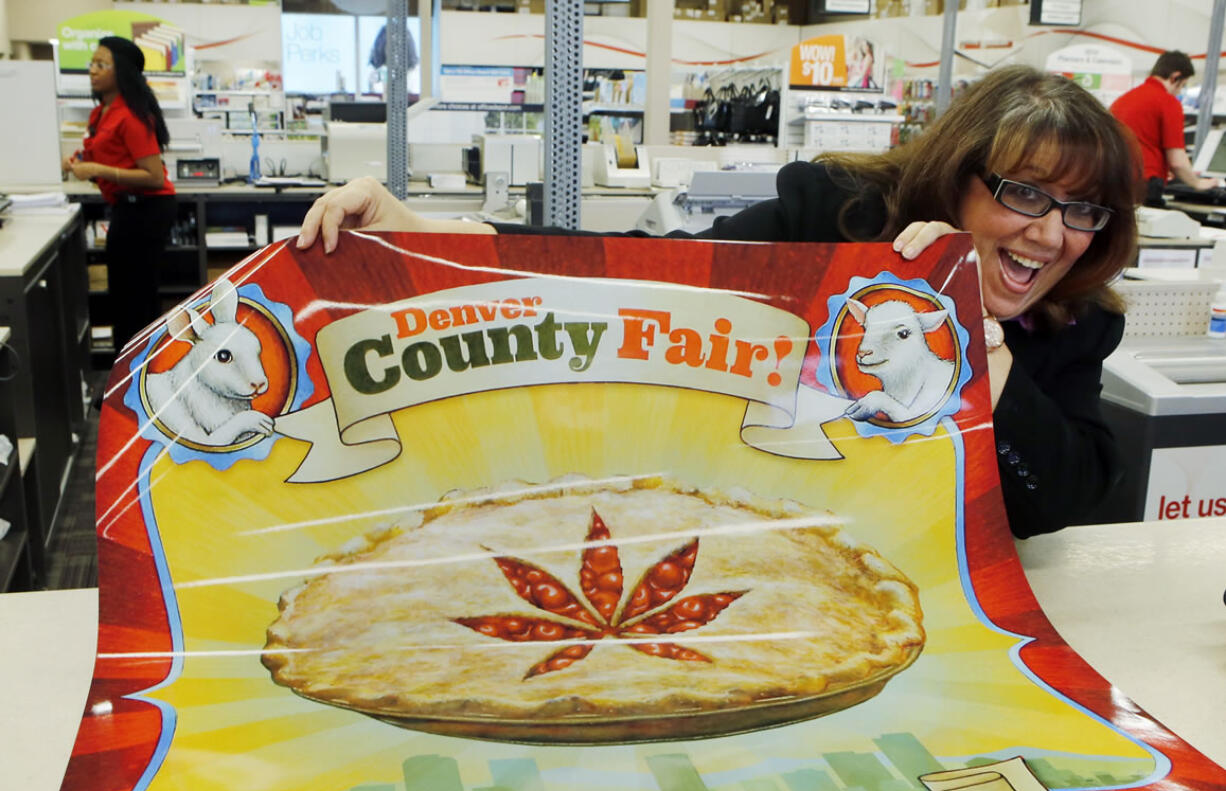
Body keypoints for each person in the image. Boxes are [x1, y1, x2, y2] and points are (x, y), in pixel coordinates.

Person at [297, 65, 1138, 540]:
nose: (1051, 233)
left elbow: (1059, 502)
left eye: (1081, 210)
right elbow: (634, 277)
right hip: (741, 550)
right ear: (959, 175)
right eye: (1025, 194)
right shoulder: (830, 219)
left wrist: (983, 358)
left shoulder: (1076, 320)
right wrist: (420, 237)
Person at [63, 35, 177, 357]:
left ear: (121, 71)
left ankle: (140, 378)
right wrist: (78, 163)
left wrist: (100, 168)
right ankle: (126, 376)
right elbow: (102, 156)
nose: (93, 71)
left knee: (137, 299)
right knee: (122, 297)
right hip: (126, 209)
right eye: (92, 64)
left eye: (102, 64)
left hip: (146, 210)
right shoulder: (101, 114)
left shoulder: (132, 116)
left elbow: (153, 177)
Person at [1110, 50, 1220, 207]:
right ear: (1175, 77)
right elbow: (1177, 161)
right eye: (1181, 86)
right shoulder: (1168, 102)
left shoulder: (1122, 100)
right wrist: (1199, 183)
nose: (1179, 92)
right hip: (1145, 185)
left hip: (1115, 181)